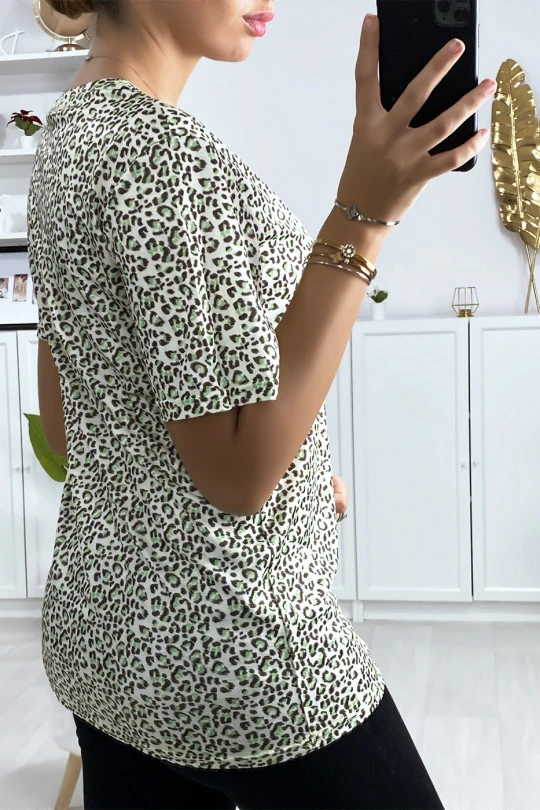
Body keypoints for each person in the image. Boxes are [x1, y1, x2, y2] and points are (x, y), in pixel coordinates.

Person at [29, 1, 496, 808]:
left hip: (103, 644)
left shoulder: (71, 133)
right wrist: (367, 213)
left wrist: (300, 476)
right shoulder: (158, 154)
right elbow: (240, 475)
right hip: (235, 651)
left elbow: (79, 425)